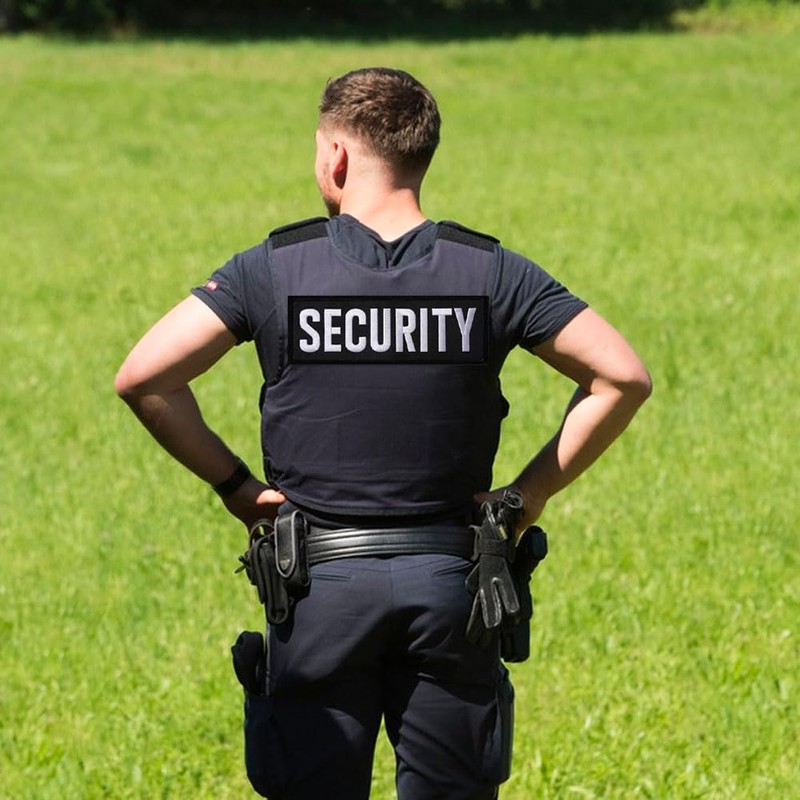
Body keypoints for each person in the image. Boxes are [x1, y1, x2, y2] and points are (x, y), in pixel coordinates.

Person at [115, 67, 652, 800]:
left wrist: (236, 488)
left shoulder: (274, 269)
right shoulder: (491, 272)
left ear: (335, 156)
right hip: (455, 587)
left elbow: (144, 378)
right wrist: (526, 498)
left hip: (318, 591)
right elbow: (622, 377)